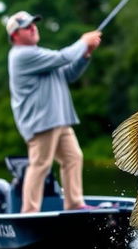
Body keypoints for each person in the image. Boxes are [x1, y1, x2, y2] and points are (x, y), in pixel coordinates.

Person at [6, 11, 102, 213]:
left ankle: (74, 204)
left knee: (73, 157)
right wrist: (83, 42)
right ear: (15, 36)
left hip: (58, 120)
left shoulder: (39, 55)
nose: (33, 28)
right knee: (40, 164)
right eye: (27, 26)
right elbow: (63, 57)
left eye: (34, 24)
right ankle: (29, 212)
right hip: (41, 122)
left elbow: (67, 73)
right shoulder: (23, 55)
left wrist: (84, 55)